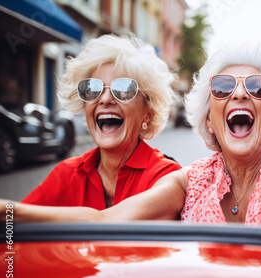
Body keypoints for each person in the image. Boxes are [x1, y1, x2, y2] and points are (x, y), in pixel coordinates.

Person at [0, 42, 261, 229]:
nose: (239, 95)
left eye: (257, 88)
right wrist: (6, 212)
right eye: (222, 88)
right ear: (209, 118)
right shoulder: (191, 180)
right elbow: (105, 219)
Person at [20, 34, 181, 209]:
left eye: (123, 89)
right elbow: (11, 227)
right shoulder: (66, 174)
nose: (105, 99)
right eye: (93, 88)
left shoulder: (166, 175)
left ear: (148, 113)